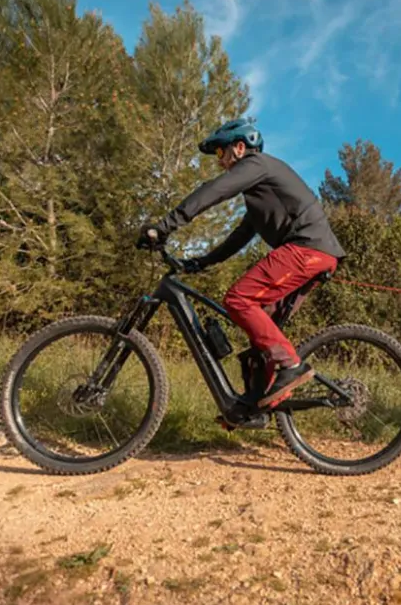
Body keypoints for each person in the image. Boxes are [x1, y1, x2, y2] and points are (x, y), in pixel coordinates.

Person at [136, 118, 345, 411]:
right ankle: (251, 408)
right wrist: (200, 262)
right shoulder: (261, 193)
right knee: (262, 332)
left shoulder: (256, 164)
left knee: (239, 299)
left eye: (220, 152)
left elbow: (214, 191)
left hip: (306, 248)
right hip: (312, 253)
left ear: (239, 147)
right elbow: (239, 237)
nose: (219, 161)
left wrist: (165, 226)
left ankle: (291, 365)